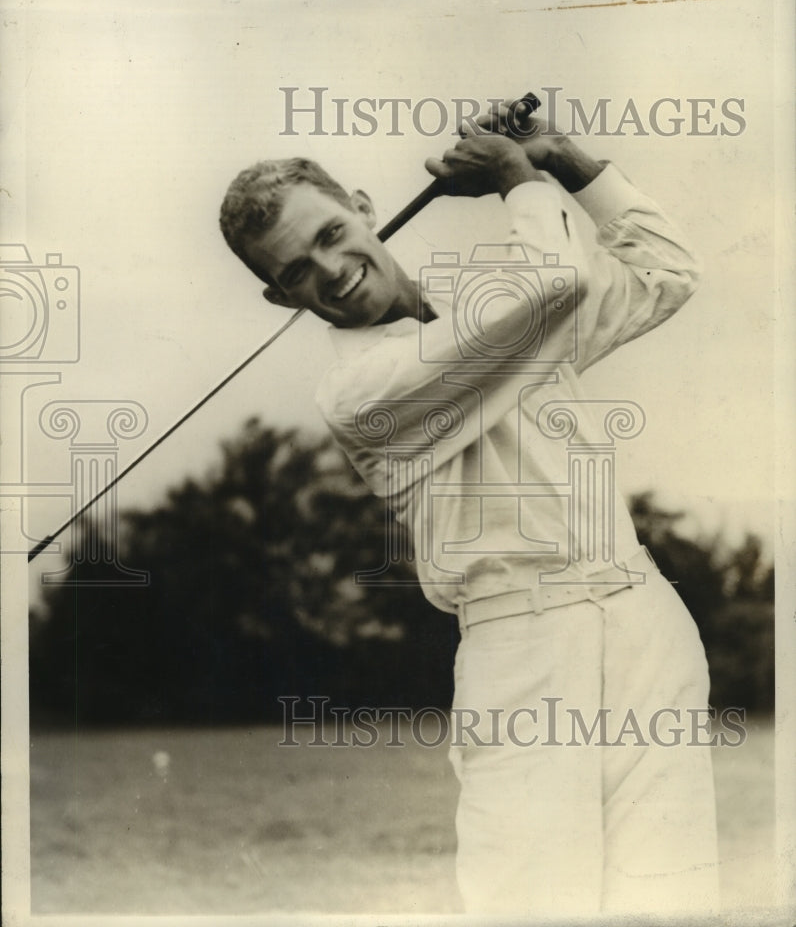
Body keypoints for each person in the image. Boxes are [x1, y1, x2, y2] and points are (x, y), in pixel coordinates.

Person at [219, 100, 720, 917]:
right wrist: (515, 179)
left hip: (643, 618)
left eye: (330, 235)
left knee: (670, 902)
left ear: (365, 211)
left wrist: (563, 159)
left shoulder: (498, 309)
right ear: (283, 300)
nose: (330, 270)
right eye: (296, 273)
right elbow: (556, 280)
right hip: (524, 652)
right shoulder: (358, 394)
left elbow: (668, 272)